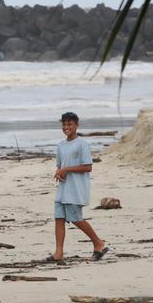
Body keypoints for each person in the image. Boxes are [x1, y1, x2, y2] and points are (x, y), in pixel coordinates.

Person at [49, 112, 108, 262]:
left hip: (75, 190)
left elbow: (88, 167)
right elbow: (60, 166)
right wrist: (60, 172)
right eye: (64, 124)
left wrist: (67, 169)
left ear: (76, 125)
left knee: (75, 218)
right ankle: (59, 252)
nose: (66, 127)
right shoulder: (61, 145)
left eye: (69, 124)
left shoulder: (82, 144)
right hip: (63, 189)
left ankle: (98, 242)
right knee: (59, 219)